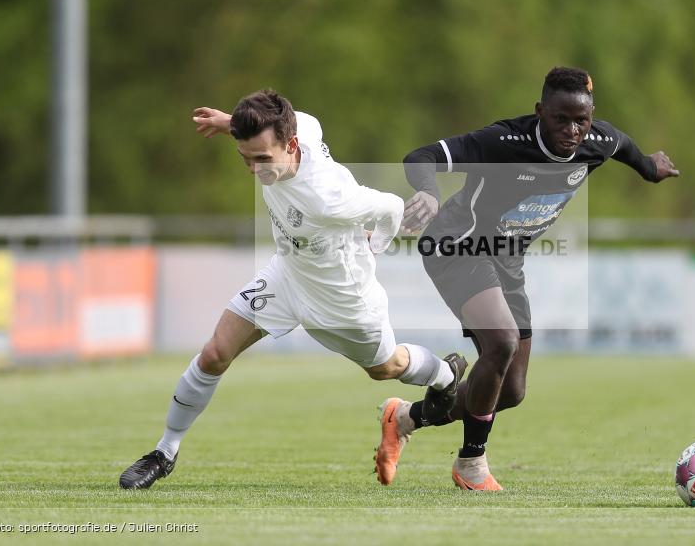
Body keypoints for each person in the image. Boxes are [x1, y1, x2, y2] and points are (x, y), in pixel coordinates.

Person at [119, 89, 466, 489]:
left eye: (262, 159)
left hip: (342, 296)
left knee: (385, 367)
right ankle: (164, 452)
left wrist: (375, 245)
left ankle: (445, 374)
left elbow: (390, 207)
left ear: (292, 145)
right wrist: (230, 122)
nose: (253, 170)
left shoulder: (329, 200)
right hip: (287, 276)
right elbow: (271, 125)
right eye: (245, 158)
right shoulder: (300, 125)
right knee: (215, 354)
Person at [374, 67, 679, 490]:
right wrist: (428, 191)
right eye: (560, 119)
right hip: (458, 244)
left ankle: (406, 417)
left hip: (507, 260)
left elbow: (623, 145)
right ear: (540, 112)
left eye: (581, 121)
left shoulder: (597, 141)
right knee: (501, 342)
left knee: (511, 389)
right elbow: (420, 157)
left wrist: (648, 167)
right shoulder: (503, 141)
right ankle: (470, 464)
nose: (572, 130)